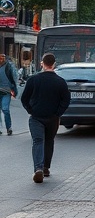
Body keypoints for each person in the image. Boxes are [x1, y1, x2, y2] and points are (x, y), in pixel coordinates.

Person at [20, 53, 70, 183]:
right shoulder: (60, 82)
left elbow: (24, 98)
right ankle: (46, 167)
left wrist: (30, 110)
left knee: (37, 141)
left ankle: (38, 168)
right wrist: (58, 113)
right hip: (52, 118)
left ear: (42, 63)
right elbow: (66, 100)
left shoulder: (33, 80)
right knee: (49, 141)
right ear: (54, 64)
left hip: (36, 117)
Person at [0, 53, 18, 135]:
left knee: (5, 109)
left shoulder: (8, 67)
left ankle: (9, 128)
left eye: (3, 58)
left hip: (6, 92)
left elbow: (14, 77)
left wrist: (14, 89)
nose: (1, 59)